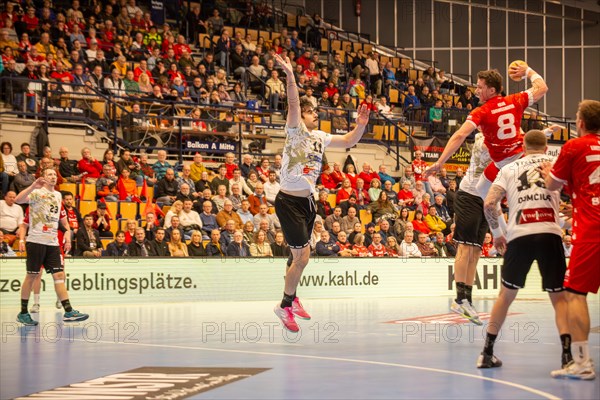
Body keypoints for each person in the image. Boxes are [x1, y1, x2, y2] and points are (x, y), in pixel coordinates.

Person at [272, 53, 370, 332]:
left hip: (308, 202)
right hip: (289, 201)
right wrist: (290, 76)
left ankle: (292, 298)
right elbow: (292, 100)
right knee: (302, 258)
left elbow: (350, 139)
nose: (317, 114)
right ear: (301, 115)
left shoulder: (321, 137)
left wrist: (361, 124)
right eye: (312, 111)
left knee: (300, 256)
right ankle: (284, 305)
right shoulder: (295, 130)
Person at [478, 130, 572, 373]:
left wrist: (497, 233)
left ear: (522, 145)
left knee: (505, 296)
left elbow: (489, 203)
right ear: (547, 145)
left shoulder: (509, 169)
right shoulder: (553, 166)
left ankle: (487, 353)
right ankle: (567, 356)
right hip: (550, 232)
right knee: (559, 298)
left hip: (520, 234)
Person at [543, 100, 600, 380]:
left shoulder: (574, 146)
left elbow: (552, 183)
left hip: (592, 230)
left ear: (580, 123)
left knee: (575, 294)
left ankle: (582, 362)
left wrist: (547, 174)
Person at [15, 168, 88, 325]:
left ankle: (68, 311)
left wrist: (67, 233)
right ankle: (23, 312)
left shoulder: (58, 195)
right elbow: (19, 200)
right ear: (43, 177)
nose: (53, 177)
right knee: (32, 275)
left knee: (59, 275)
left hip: (53, 242)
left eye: (55, 174)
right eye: (50, 174)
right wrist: (33, 186)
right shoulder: (36, 192)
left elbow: (61, 220)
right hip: (36, 241)